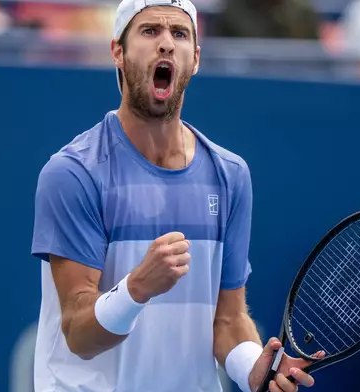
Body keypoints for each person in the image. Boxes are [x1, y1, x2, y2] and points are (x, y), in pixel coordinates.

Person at [30, 0, 324, 391]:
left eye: (180, 34)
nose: (166, 44)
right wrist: (136, 289)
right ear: (117, 51)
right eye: (150, 31)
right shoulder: (74, 173)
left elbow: (227, 319)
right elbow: (79, 335)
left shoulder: (230, 175)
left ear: (196, 58)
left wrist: (253, 366)